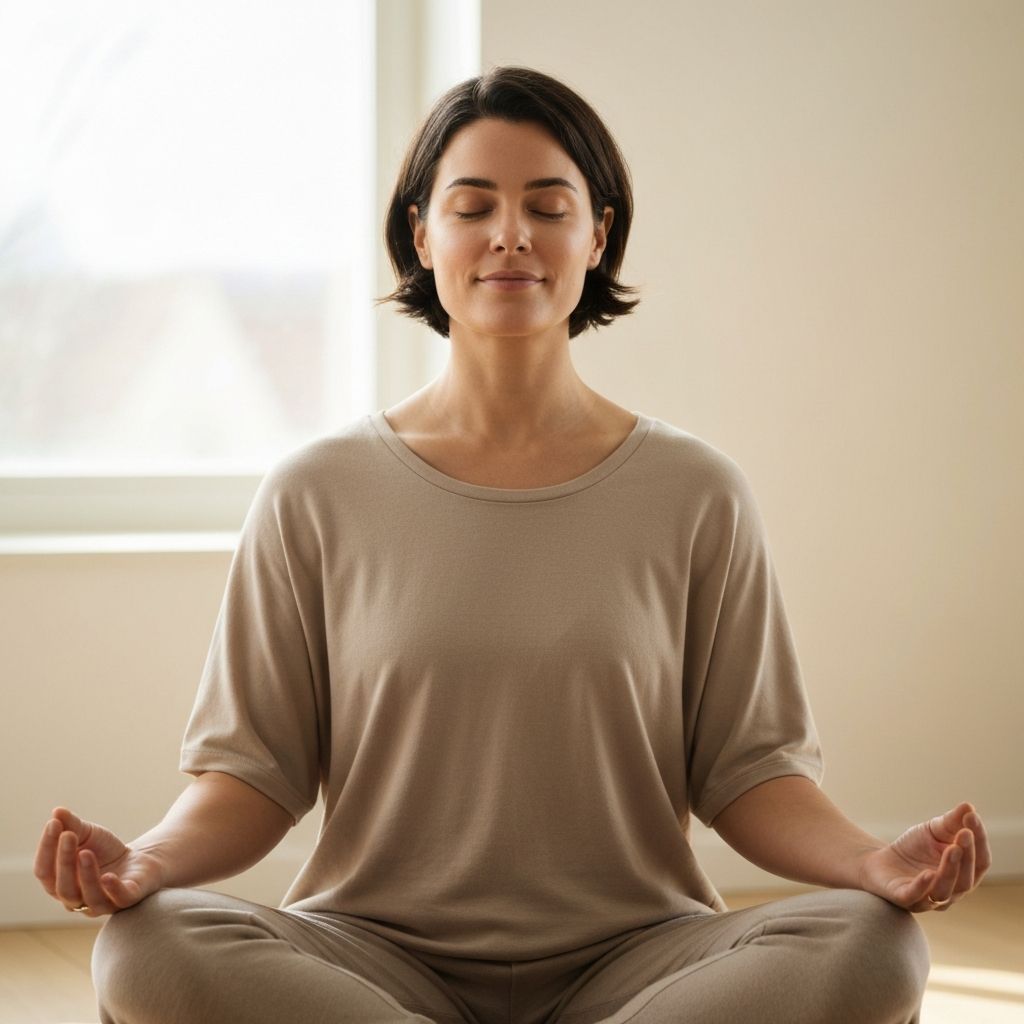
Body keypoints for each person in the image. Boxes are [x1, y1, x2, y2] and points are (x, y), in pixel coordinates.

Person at [34, 65, 990, 1024]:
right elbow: (252, 774)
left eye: (548, 205)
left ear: (597, 233)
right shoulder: (316, 491)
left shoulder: (696, 493)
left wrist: (870, 862)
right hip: (371, 957)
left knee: (872, 945)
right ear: (422, 234)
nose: (510, 235)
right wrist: (148, 861)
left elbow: (751, 774)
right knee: (149, 946)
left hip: (642, 962)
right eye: (472, 205)